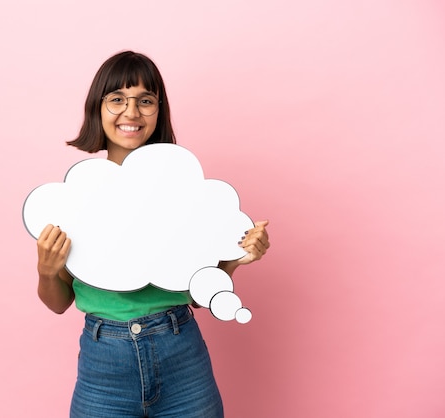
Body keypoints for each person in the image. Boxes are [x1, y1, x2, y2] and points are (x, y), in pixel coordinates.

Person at [35, 51, 270, 418]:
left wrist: (235, 257)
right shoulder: (75, 200)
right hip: (103, 365)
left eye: (145, 101)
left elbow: (196, 296)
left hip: (181, 355)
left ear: (158, 111)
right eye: (117, 99)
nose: (131, 112)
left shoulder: (183, 195)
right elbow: (58, 302)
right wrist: (47, 270)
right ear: (97, 108)